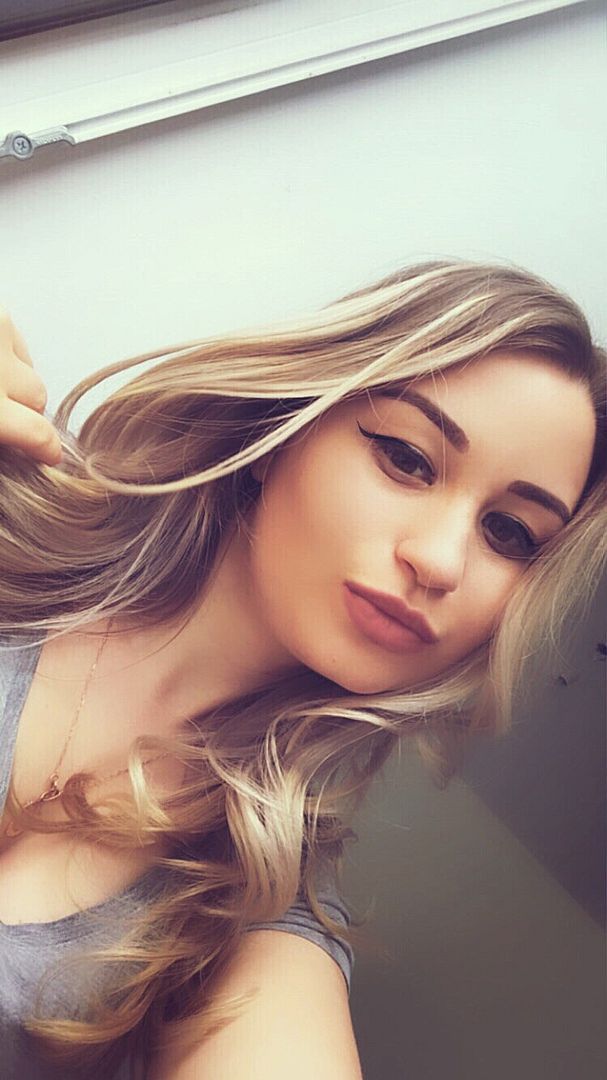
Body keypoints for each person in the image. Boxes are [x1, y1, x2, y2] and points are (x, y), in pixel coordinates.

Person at [0, 259, 604, 1079]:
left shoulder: (249, 905)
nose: (438, 560)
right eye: (407, 458)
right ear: (285, 430)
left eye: (508, 533)